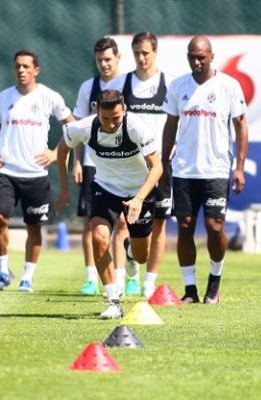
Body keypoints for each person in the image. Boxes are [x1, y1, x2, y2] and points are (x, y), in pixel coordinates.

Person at [56, 89, 162, 319]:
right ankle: (113, 301)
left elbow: (157, 167)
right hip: (105, 188)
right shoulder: (83, 127)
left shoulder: (137, 128)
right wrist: (64, 189)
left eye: (116, 118)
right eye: (105, 119)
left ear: (124, 110)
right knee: (98, 237)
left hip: (139, 191)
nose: (112, 124)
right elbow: (62, 149)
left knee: (141, 256)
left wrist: (139, 198)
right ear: (97, 112)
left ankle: (130, 253)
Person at [160, 36, 249, 304]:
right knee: (185, 226)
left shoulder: (228, 86)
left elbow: (241, 125)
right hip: (184, 169)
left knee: (214, 226)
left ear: (211, 56)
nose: (197, 62)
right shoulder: (178, 86)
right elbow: (170, 126)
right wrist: (163, 165)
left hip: (216, 169)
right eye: (192, 57)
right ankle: (190, 290)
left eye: (201, 57)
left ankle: (214, 282)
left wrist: (240, 168)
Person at [0, 49, 73, 293]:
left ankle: (27, 277)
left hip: (36, 175)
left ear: (36, 70)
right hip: (7, 172)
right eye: (18, 66)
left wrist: (56, 153)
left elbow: (72, 126)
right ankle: (2, 271)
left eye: (26, 66)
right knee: (0, 217)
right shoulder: (4, 98)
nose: (21, 70)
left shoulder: (49, 97)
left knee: (33, 227)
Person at [107, 32, 172, 298]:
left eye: (146, 53)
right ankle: (119, 281)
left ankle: (149, 283)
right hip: (130, 168)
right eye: (137, 53)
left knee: (159, 225)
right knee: (123, 222)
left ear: (155, 52)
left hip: (160, 167)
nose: (141, 58)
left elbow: (178, 122)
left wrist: (171, 150)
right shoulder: (120, 84)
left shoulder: (170, 85)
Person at [72, 37, 135, 296]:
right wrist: (77, 161)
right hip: (93, 163)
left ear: (118, 57)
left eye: (108, 59)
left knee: (123, 223)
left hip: (123, 162)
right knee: (92, 222)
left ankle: (125, 276)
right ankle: (91, 278)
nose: (104, 64)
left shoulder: (129, 84)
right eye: (99, 60)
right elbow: (77, 127)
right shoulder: (89, 87)